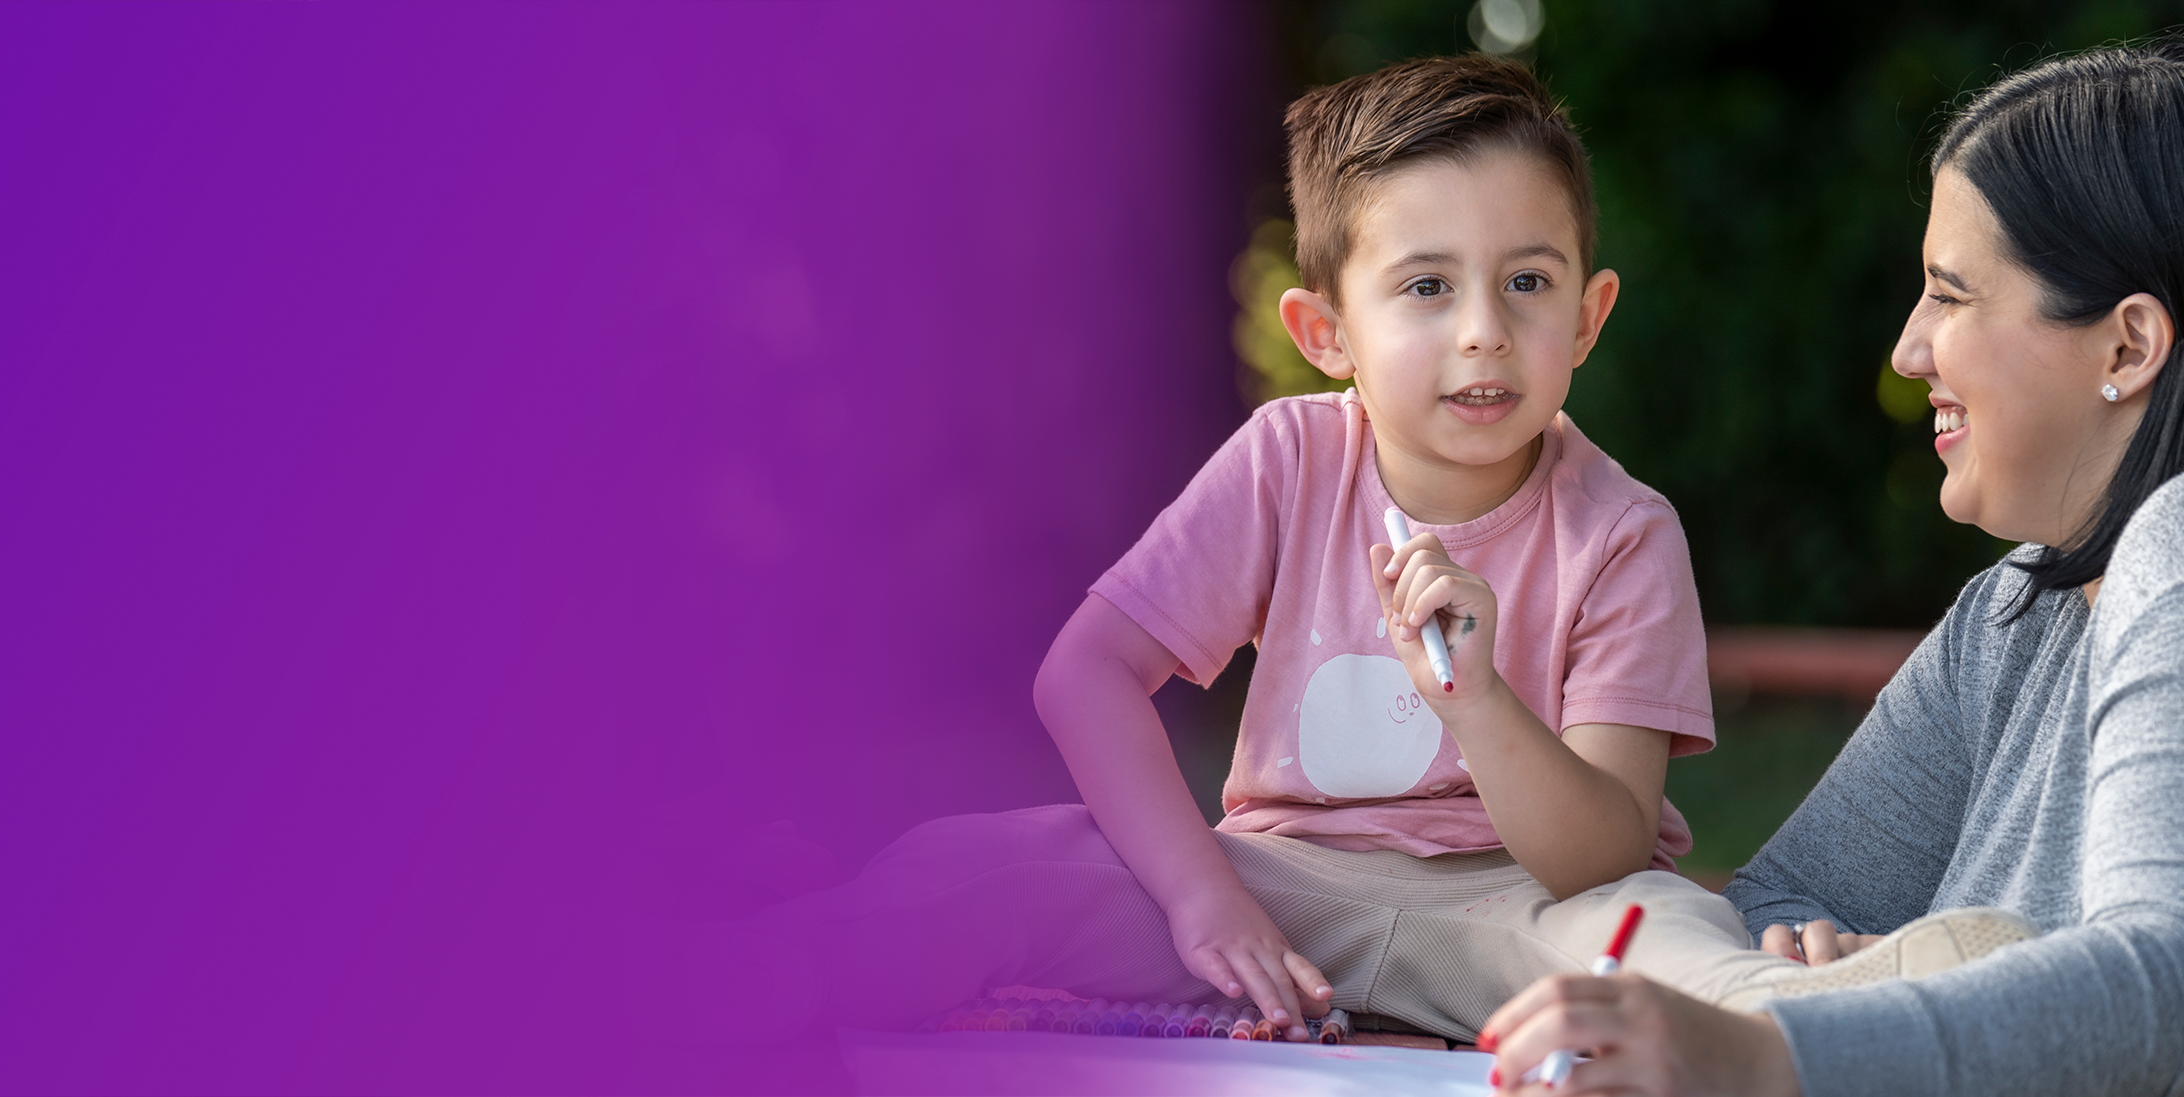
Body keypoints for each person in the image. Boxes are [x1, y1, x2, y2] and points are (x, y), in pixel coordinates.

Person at [723, 53, 1800, 1044]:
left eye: (1527, 281)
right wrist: (1204, 897)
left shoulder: (1621, 529)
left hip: (1517, 910)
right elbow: (1087, 673)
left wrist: (1475, 697)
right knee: (976, 869)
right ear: (1324, 333)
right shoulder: (1288, 457)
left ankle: (1868, 1023)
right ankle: (700, 992)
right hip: (1274, 880)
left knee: (1664, 939)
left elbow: (1602, 855)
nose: (1483, 327)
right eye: (1427, 285)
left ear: (1587, 315)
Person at [1479, 40, 2184, 1096]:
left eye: (1950, 295)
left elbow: (2162, 992)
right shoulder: (2010, 613)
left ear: (2126, 348)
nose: (1908, 349)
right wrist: (1848, 971)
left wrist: (1779, 1050)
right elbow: (1770, 911)